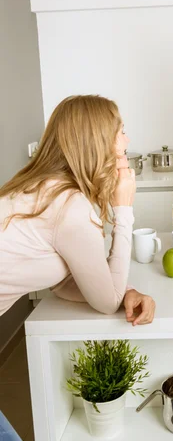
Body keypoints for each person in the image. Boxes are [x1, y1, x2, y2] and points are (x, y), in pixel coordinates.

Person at [0, 95, 155, 323]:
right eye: (121, 132)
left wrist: (125, 291)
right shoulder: (69, 206)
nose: (127, 140)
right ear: (97, 143)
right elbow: (107, 303)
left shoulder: (40, 187)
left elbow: (61, 282)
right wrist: (123, 210)